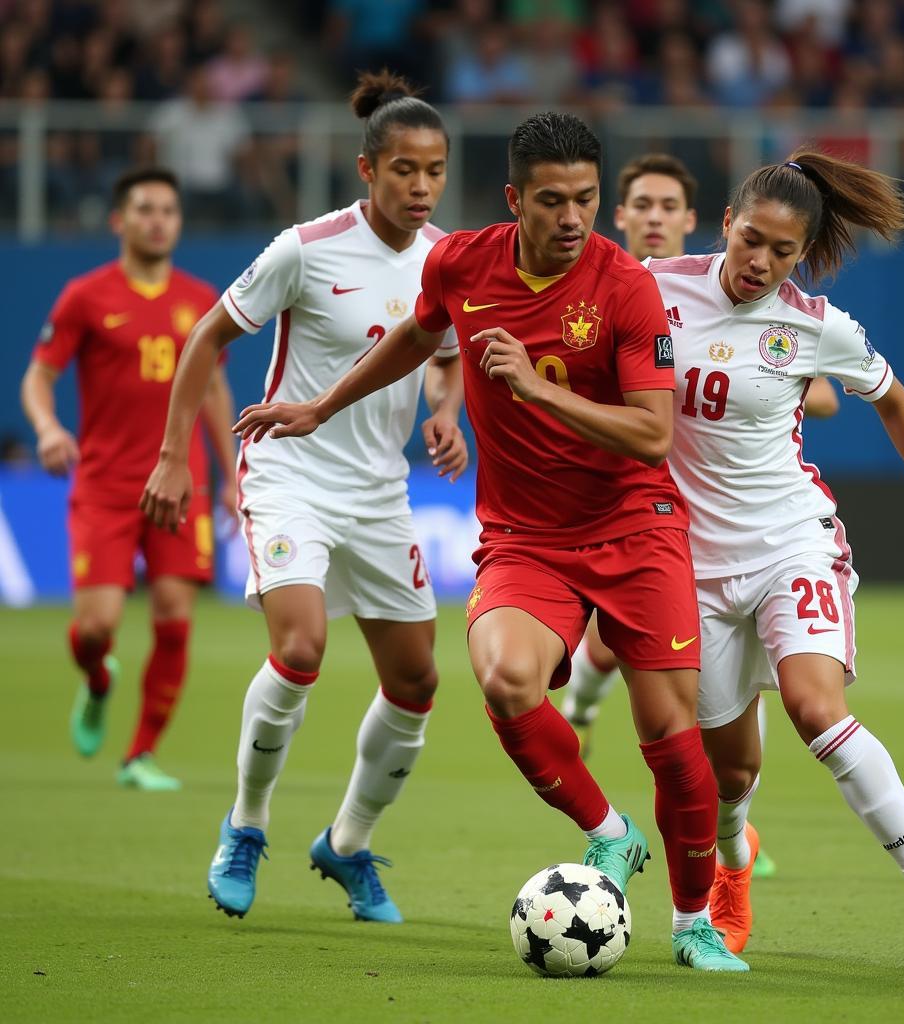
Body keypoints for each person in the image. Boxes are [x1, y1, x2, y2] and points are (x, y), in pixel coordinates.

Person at [234, 111, 750, 972]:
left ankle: (693, 921)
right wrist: (323, 405)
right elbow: (417, 333)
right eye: (553, 200)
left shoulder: (625, 288)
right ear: (516, 200)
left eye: (587, 198)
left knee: (672, 739)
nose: (574, 217)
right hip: (526, 537)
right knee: (507, 681)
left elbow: (654, 435)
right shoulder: (459, 261)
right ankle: (609, 833)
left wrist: (539, 394)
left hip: (635, 530)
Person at [646, 150, 904, 960]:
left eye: (782, 252)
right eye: (752, 242)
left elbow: (898, 403)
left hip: (790, 541)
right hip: (690, 565)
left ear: (801, 254)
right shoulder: (655, 286)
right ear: (727, 223)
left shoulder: (815, 324)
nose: (760, 263)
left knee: (815, 710)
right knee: (728, 775)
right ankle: (734, 860)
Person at [140, 71, 466, 925]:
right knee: (302, 646)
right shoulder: (305, 247)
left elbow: (441, 352)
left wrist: (444, 412)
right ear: (368, 170)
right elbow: (208, 336)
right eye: (404, 170)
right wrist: (175, 456)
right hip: (289, 469)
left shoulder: (449, 260)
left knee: (418, 680)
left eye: (434, 170)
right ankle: (245, 826)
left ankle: (348, 845)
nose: (422, 186)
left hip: (380, 491)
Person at [561, 151, 839, 881]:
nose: (653, 217)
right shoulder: (620, 286)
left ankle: (721, 834)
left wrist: (735, 381)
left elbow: (822, 390)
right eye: (641, 206)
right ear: (619, 217)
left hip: (702, 524)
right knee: (636, 673)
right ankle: (595, 735)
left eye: (666, 207)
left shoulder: (739, 293)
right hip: (621, 503)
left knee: (693, 699)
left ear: (692, 220)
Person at [20, 166, 237, 791]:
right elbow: (38, 376)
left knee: (174, 616)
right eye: (144, 209)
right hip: (106, 486)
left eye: (168, 210)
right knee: (95, 629)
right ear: (119, 220)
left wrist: (228, 475)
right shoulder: (85, 297)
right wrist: (47, 428)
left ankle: (139, 754)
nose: (157, 220)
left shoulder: (201, 301)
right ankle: (96, 680)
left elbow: (216, 389)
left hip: (182, 487)